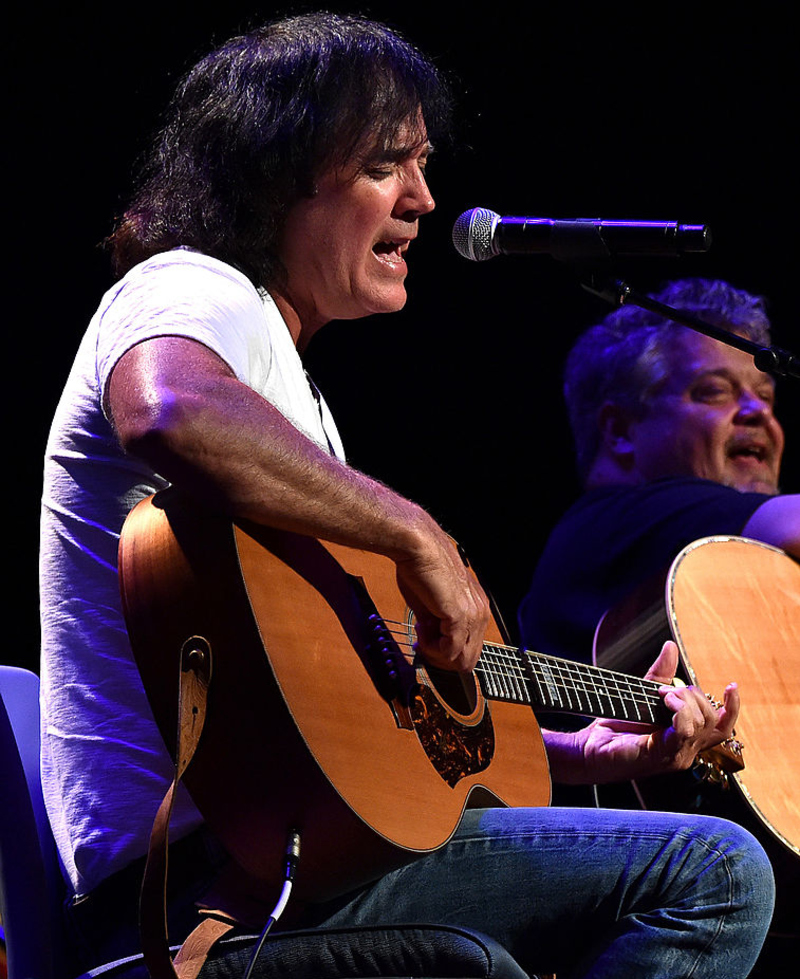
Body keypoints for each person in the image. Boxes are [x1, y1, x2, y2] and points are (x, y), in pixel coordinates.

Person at [40, 16, 773, 979]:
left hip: (292, 856)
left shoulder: (292, 398)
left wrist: (575, 752)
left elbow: (360, 733)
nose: (425, 200)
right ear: (277, 168)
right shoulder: (195, 286)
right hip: (203, 887)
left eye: (422, 165)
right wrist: (419, 538)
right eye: (390, 163)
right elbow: (167, 407)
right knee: (714, 870)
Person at [518, 277, 799, 666]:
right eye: (715, 391)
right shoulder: (619, 520)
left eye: (766, 395)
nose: (759, 412)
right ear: (620, 431)